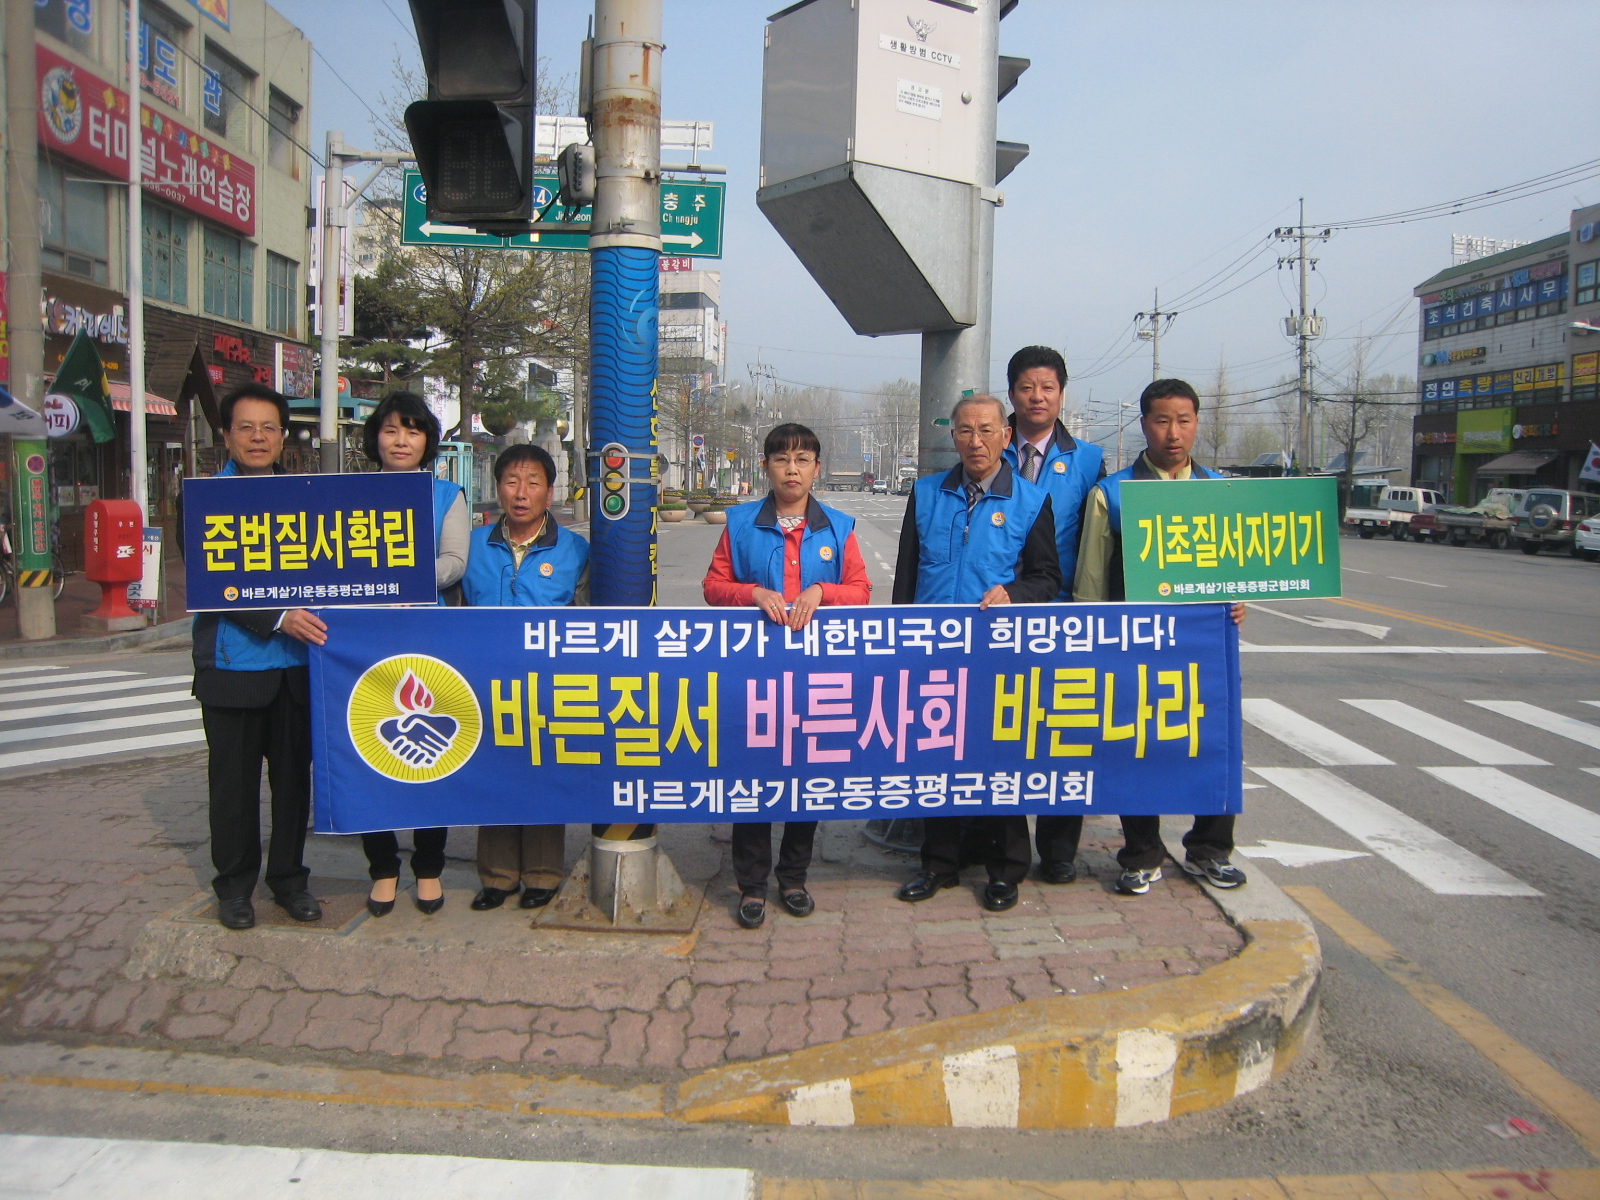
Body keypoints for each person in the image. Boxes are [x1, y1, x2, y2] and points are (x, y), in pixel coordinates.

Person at [1074, 378, 1248, 897]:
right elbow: (1090, 582)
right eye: (1161, 420)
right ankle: (1141, 852)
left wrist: (1238, 600)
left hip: (1203, 648)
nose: (1174, 433)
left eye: (1184, 420)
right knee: (1136, 743)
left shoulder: (1220, 492)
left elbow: (1238, 569)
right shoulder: (1113, 494)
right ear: (1144, 424)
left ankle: (1210, 848)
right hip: (1134, 644)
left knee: (1215, 742)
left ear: (1197, 423)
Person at [891, 394, 1062, 913]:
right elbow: (905, 580)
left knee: (999, 760)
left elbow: (1047, 577)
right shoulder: (925, 495)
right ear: (953, 438)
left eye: (987, 430)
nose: (976, 441)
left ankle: (1006, 870)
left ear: (1006, 436)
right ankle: (938, 865)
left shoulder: (1030, 501)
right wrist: (901, 645)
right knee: (938, 761)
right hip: (933, 655)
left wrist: (1015, 594)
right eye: (966, 431)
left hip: (999, 658)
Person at [702, 423, 873, 928]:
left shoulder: (840, 527)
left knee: (807, 778)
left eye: (802, 459)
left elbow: (861, 590)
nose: (792, 469)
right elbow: (714, 586)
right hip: (755, 677)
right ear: (766, 467)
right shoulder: (738, 524)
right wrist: (751, 593)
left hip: (818, 681)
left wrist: (822, 592)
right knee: (752, 778)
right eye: (781, 459)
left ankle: (794, 878)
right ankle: (751, 885)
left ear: (817, 468)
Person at [192, 384, 327, 930]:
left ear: (282, 435)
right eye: (245, 427)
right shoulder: (204, 499)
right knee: (233, 791)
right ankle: (234, 887)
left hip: (295, 670)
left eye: (268, 427)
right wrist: (276, 617)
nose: (257, 437)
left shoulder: (307, 497)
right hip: (232, 672)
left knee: (294, 787)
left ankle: (290, 880)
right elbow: (213, 580)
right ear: (226, 436)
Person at [460, 444, 589, 911]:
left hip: (548, 686)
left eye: (533, 482)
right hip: (482, 683)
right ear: (497, 488)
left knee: (540, 775)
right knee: (493, 774)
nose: (521, 493)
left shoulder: (576, 550)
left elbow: (595, 623)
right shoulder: (471, 546)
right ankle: (496, 877)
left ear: (549, 492)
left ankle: (542, 873)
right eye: (511, 482)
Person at [357, 392, 470, 918]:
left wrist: (407, 580)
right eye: (390, 430)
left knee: (432, 753)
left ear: (428, 440)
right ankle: (382, 867)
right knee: (365, 754)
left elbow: (454, 561)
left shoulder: (447, 495)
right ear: (374, 437)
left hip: (427, 637)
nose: (401, 440)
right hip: (361, 643)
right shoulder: (346, 494)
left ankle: (428, 867)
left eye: (413, 430)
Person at [1001, 345, 1106, 886]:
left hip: (1064, 615)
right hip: (997, 615)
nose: (1037, 397)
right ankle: (1008, 848)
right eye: (1026, 387)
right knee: (1004, 732)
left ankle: (1060, 849)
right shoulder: (990, 450)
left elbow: (1103, 543)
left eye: (1047, 387)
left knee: (1063, 730)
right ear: (1012, 393)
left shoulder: (1089, 461)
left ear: (1062, 393)